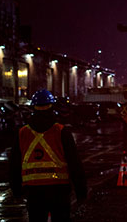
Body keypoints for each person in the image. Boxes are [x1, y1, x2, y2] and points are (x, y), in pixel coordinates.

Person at [9, 89, 87, 222]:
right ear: (51, 107)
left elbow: (14, 164)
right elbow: (74, 163)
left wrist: (16, 189)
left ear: (33, 107)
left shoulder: (22, 133)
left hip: (34, 192)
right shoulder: (62, 131)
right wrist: (81, 191)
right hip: (59, 191)